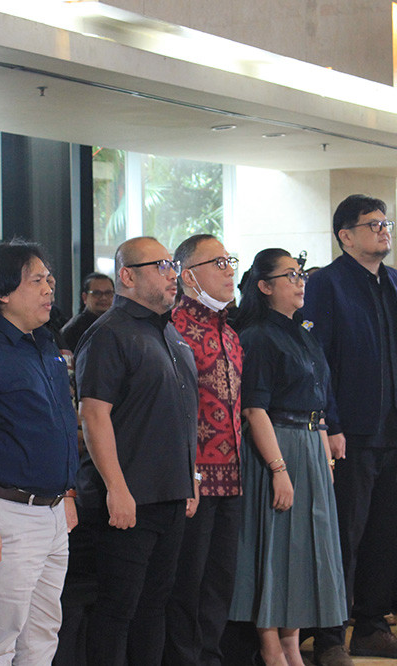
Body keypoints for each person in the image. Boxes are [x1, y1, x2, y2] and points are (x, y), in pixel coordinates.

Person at [302, 194, 397, 665]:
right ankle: (330, 635)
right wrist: (330, 422)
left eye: (386, 223)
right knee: (344, 538)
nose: (383, 230)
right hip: (349, 434)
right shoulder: (327, 284)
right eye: (372, 224)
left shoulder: (396, 282)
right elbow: (318, 361)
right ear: (345, 235)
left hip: (394, 431)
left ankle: (372, 626)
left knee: (386, 534)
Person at [0, 241, 81, 665]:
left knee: (44, 630)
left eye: (50, 279)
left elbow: (62, 425)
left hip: (53, 510)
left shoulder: (44, 344)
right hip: (6, 512)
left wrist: (69, 495)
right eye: (38, 280)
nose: (50, 288)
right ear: (3, 292)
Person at [75, 236, 199, 665]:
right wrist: (116, 487)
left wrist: (190, 478)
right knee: (117, 610)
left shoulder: (171, 335)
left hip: (169, 495)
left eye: (174, 267)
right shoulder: (109, 334)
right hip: (127, 499)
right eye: (162, 266)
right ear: (127, 275)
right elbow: (93, 415)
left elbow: (179, 415)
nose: (172, 275)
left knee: (155, 607)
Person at [228, 248, 348, 666]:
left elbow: (318, 398)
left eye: (301, 274)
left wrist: (324, 451)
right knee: (275, 548)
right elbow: (254, 408)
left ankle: (293, 645)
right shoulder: (258, 335)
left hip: (309, 445)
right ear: (264, 286)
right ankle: (270, 649)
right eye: (290, 275)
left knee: (304, 549)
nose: (300, 281)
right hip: (277, 446)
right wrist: (278, 469)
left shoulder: (303, 331)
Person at [164, 235, 244, 666]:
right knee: (186, 586)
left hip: (231, 477)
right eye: (218, 263)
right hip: (191, 481)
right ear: (187, 275)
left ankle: (211, 658)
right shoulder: (173, 329)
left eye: (230, 261)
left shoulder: (231, 334)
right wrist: (187, 473)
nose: (229, 269)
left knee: (220, 584)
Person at [61, 272, 115, 352]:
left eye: (108, 293)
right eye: (97, 293)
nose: (104, 298)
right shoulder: (75, 329)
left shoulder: (117, 324)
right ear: (85, 297)